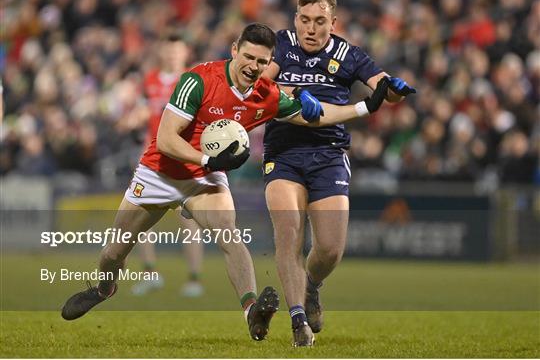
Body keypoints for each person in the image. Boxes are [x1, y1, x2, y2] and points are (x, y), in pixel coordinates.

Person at [60, 23, 390, 342]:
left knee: (229, 236)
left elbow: (312, 116)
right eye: (248, 57)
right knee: (113, 254)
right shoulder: (199, 80)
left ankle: (251, 312)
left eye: (262, 61)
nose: (254, 66)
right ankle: (104, 289)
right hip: (160, 172)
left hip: (205, 178)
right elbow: (164, 139)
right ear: (235, 51)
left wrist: (363, 107)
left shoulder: (266, 95)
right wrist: (207, 159)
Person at [261, 0, 416, 346]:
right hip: (284, 152)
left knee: (330, 249)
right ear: (295, 18)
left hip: (329, 156)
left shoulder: (350, 54)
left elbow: (382, 89)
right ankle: (298, 320)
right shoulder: (281, 45)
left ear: (334, 22)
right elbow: (259, 85)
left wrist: (393, 88)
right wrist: (293, 94)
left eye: (319, 21)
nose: (310, 29)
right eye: (304, 20)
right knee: (288, 235)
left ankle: (312, 286)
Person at [132, 32, 204, 298]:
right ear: (162, 51)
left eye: (178, 50)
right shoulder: (148, 80)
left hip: (183, 158)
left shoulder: (192, 80)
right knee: (139, 217)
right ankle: (150, 273)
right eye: (169, 50)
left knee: (188, 220)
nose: (173, 55)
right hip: (154, 159)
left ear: (185, 53)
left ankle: (194, 278)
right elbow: (142, 112)